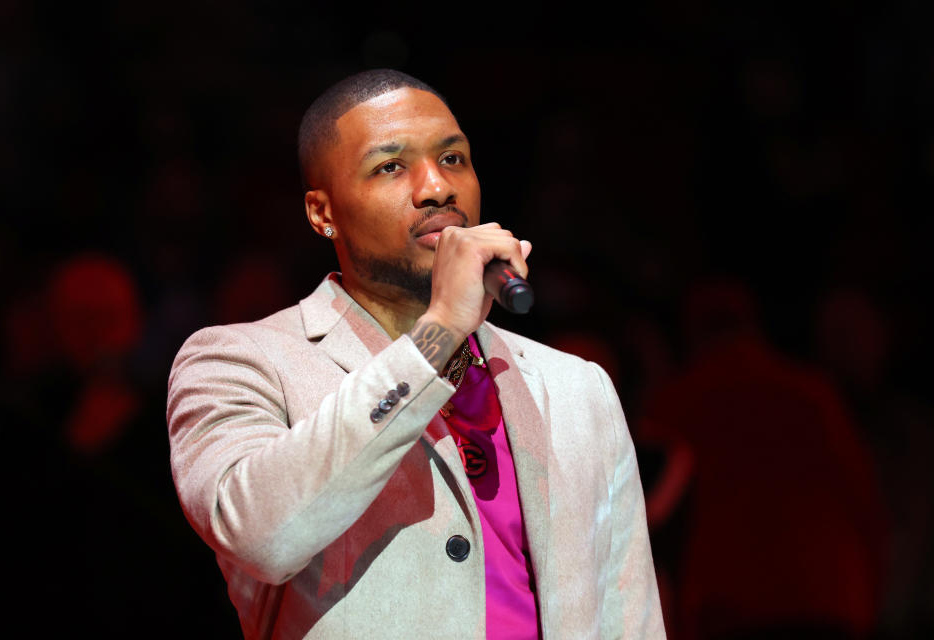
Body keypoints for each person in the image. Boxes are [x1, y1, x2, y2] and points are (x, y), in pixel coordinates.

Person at [166, 69, 664, 639]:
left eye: (453, 159)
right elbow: (260, 537)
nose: (436, 188)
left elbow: (629, 615)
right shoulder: (238, 362)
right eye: (390, 166)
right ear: (321, 213)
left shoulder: (577, 387)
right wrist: (440, 330)